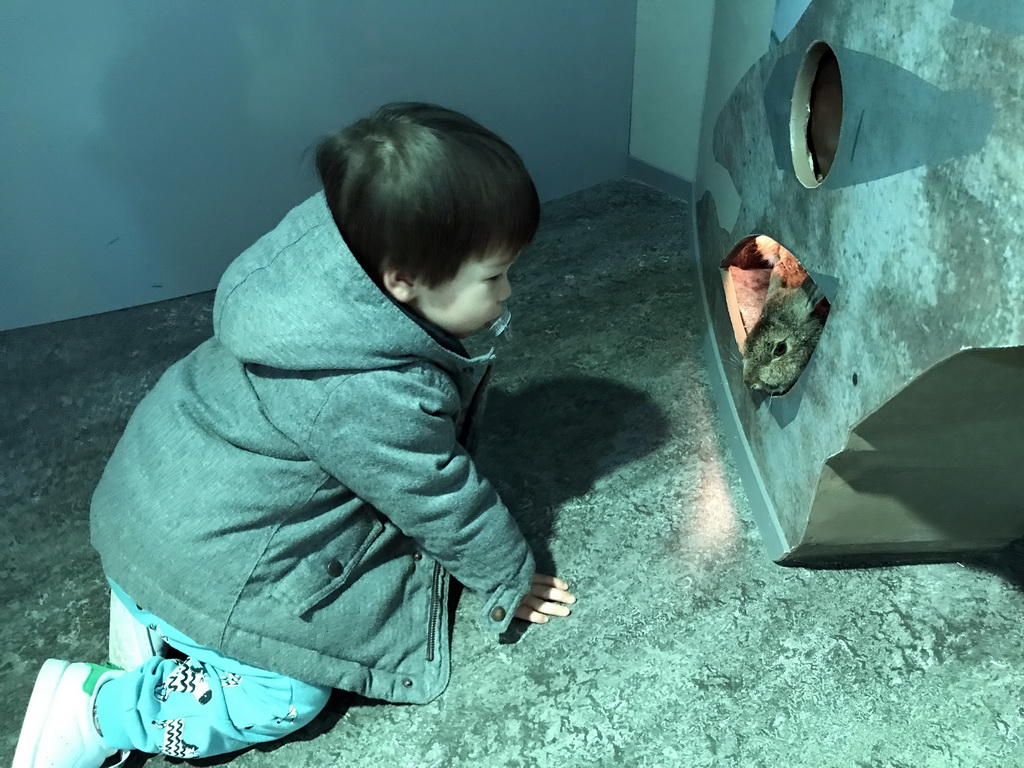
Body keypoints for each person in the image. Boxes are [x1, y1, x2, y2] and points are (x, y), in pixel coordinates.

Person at [14, 102, 576, 767]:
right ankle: (105, 708)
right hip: (203, 564)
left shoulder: (325, 263)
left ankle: (150, 611)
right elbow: (438, 495)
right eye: (494, 276)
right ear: (401, 279)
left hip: (149, 516)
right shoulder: (366, 391)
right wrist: (510, 575)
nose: (508, 292)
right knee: (284, 696)